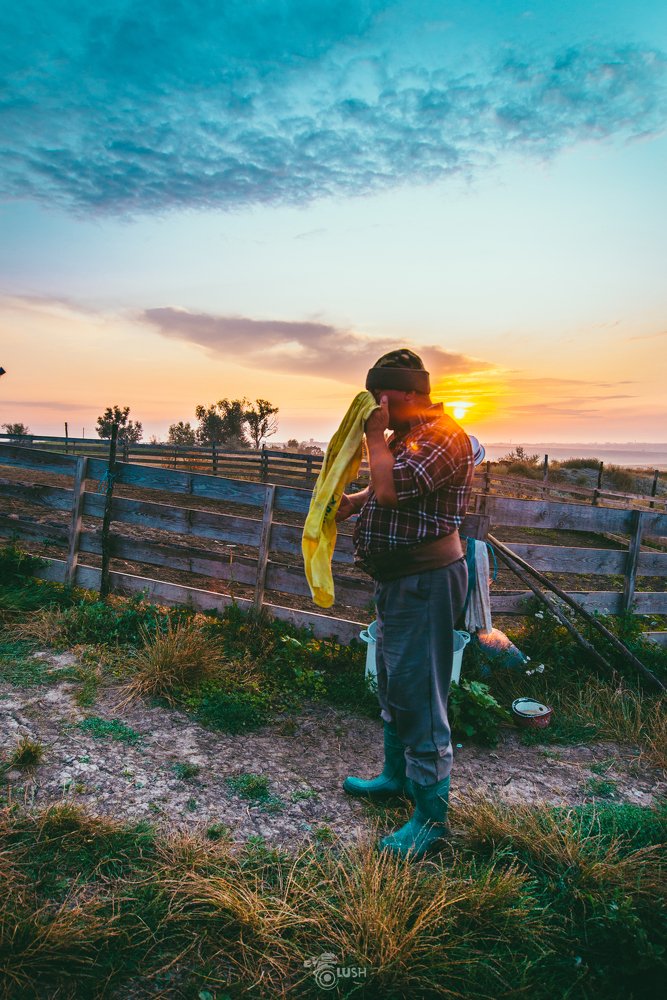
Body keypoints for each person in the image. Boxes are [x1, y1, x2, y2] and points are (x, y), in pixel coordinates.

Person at [336, 349, 474, 860]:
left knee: (420, 694)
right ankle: (397, 778)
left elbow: (399, 491)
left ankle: (431, 820)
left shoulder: (443, 436)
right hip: (400, 583)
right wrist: (355, 501)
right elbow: (385, 484)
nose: (375, 406)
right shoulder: (410, 436)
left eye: (381, 397)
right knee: (395, 683)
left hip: (426, 582)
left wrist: (373, 435)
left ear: (410, 394)